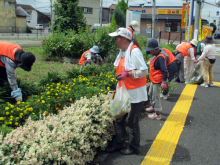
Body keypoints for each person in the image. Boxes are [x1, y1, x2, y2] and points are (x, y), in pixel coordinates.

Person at [106, 27, 148, 155]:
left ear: (124, 39)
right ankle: (119, 144)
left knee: (132, 121)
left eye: (117, 38)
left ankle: (134, 147)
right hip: (123, 91)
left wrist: (128, 75)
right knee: (119, 118)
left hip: (134, 93)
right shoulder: (122, 52)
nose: (115, 40)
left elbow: (144, 71)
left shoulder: (134, 51)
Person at [144, 39, 168, 120]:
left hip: (158, 81)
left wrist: (164, 82)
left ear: (155, 49)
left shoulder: (160, 58)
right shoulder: (156, 55)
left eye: (150, 50)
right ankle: (154, 107)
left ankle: (157, 114)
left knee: (156, 97)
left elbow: (164, 70)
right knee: (150, 94)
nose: (149, 51)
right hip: (154, 80)